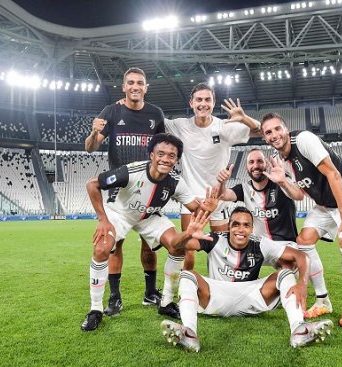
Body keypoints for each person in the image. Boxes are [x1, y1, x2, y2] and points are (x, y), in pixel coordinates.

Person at [81, 133, 218, 331]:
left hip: (150, 217)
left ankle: (167, 302)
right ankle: (95, 310)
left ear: (176, 160)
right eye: (160, 153)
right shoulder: (131, 171)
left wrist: (208, 208)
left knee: (178, 246)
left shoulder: (176, 182)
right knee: (102, 249)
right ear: (151, 155)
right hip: (120, 213)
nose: (165, 158)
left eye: (172, 156)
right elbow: (92, 184)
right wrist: (103, 219)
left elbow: (195, 207)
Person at [160, 207, 334, 352]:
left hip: (251, 297)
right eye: (235, 224)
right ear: (228, 227)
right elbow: (174, 245)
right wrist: (187, 233)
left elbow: (301, 256)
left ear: (252, 229)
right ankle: (189, 333)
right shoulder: (213, 239)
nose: (240, 230)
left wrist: (302, 283)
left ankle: (299, 329)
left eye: (246, 225)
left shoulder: (261, 244)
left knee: (285, 273)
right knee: (188, 275)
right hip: (215, 297)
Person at [261, 113, 342, 328]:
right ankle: (323, 300)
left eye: (277, 129)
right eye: (268, 132)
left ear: (286, 129)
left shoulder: (304, 140)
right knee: (304, 241)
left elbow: (334, 174)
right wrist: (283, 181)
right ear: (265, 138)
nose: (274, 135)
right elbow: (299, 195)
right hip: (324, 204)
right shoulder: (283, 160)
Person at [84, 67, 165, 317]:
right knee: (114, 245)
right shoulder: (112, 111)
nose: (135, 86)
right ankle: (115, 297)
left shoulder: (155, 114)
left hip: (149, 188)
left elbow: (162, 148)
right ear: (123, 87)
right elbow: (90, 148)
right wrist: (94, 132)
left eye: (139, 82)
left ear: (145, 87)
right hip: (118, 189)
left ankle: (150, 293)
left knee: (149, 244)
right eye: (130, 82)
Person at [164, 83, 262, 269]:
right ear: (191, 102)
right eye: (199, 99)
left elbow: (259, 130)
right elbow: (152, 119)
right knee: (188, 249)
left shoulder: (225, 126)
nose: (203, 103)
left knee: (222, 248)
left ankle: (222, 288)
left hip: (219, 198)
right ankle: (187, 292)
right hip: (192, 198)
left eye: (207, 99)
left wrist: (244, 118)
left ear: (214, 102)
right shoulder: (180, 125)